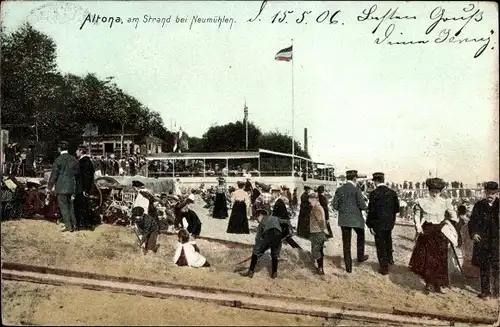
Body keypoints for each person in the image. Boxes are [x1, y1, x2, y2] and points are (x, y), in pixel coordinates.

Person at [409, 177, 458, 293]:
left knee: (440, 258)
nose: (435, 194)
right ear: (429, 191)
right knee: (429, 258)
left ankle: (439, 284)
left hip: (440, 232)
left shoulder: (445, 202)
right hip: (427, 231)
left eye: (437, 191)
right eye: (432, 191)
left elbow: (453, 216)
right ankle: (429, 283)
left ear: (441, 191)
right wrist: (418, 226)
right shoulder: (422, 202)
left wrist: (448, 224)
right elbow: (417, 215)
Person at [332, 170, 369, 273]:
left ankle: (348, 268)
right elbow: (362, 205)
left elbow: (335, 205)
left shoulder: (339, 190)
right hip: (356, 220)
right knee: (361, 236)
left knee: (346, 244)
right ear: (354, 178)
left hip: (344, 219)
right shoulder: (356, 190)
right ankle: (360, 256)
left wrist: (343, 209)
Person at [240, 207, 291, 279]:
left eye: (257, 218)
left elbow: (258, 238)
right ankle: (274, 273)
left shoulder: (261, 223)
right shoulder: (275, 218)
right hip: (278, 235)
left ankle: (250, 272)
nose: (257, 220)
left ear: (261, 215)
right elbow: (286, 222)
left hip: (268, 233)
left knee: (256, 252)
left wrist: (256, 250)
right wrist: (287, 231)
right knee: (274, 254)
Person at [469, 181, 499, 300]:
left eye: (493, 193)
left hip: (497, 241)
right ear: (484, 192)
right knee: (484, 267)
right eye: (488, 193)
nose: (490, 196)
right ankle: (485, 292)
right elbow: (472, 221)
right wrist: (474, 233)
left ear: (497, 193)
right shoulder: (479, 205)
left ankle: (497, 291)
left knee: (497, 267)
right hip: (483, 241)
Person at [366, 172, 399, 275]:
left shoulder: (374, 193)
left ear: (376, 181)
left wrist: (370, 224)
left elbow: (371, 211)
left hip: (378, 223)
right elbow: (397, 209)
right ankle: (390, 259)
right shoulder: (392, 193)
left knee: (380, 244)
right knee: (388, 239)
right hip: (389, 222)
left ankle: (384, 267)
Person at [47, 141, 79, 232]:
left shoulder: (58, 160)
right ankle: (74, 224)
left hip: (61, 187)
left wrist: (49, 186)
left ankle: (69, 226)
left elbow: (54, 175)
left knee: (64, 207)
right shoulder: (74, 159)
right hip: (72, 186)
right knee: (71, 206)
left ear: (59, 149)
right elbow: (77, 173)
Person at [74, 145, 95, 230]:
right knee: (83, 206)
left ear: (81, 151)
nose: (76, 152)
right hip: (83, 188)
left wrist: (85, 189)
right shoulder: (86, 161)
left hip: (81, 188)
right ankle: (85, 224)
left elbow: (86, 177)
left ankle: (83, 225)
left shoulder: (84, 161)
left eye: (77, 151)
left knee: (81, 206)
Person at [308, 192, 328, 275]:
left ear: (315, 200)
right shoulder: (317, 207)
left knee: (315, 251)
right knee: (319, 250)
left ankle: (320, 268)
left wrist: (324, 229)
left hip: (317, 232)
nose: (310, 202)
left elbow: (321, 220)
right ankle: (320, 268)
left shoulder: (316, 208)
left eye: (311, 200)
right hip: (318, 231)